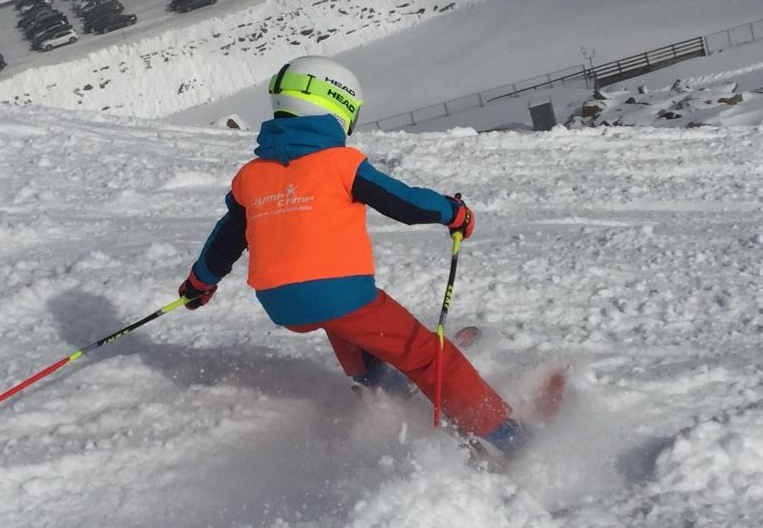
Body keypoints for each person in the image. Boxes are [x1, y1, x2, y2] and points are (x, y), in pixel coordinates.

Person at [179, 55, 530, 461]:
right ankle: (500, 434)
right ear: (337, 105)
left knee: (339, 319)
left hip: (281, 304)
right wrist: (453, 212)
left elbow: (225, 239)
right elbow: (405, 203)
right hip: (340, 294)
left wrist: (199, 285)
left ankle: (375, 380)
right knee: (427, 355)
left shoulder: (251, 176)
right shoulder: (340, 163)